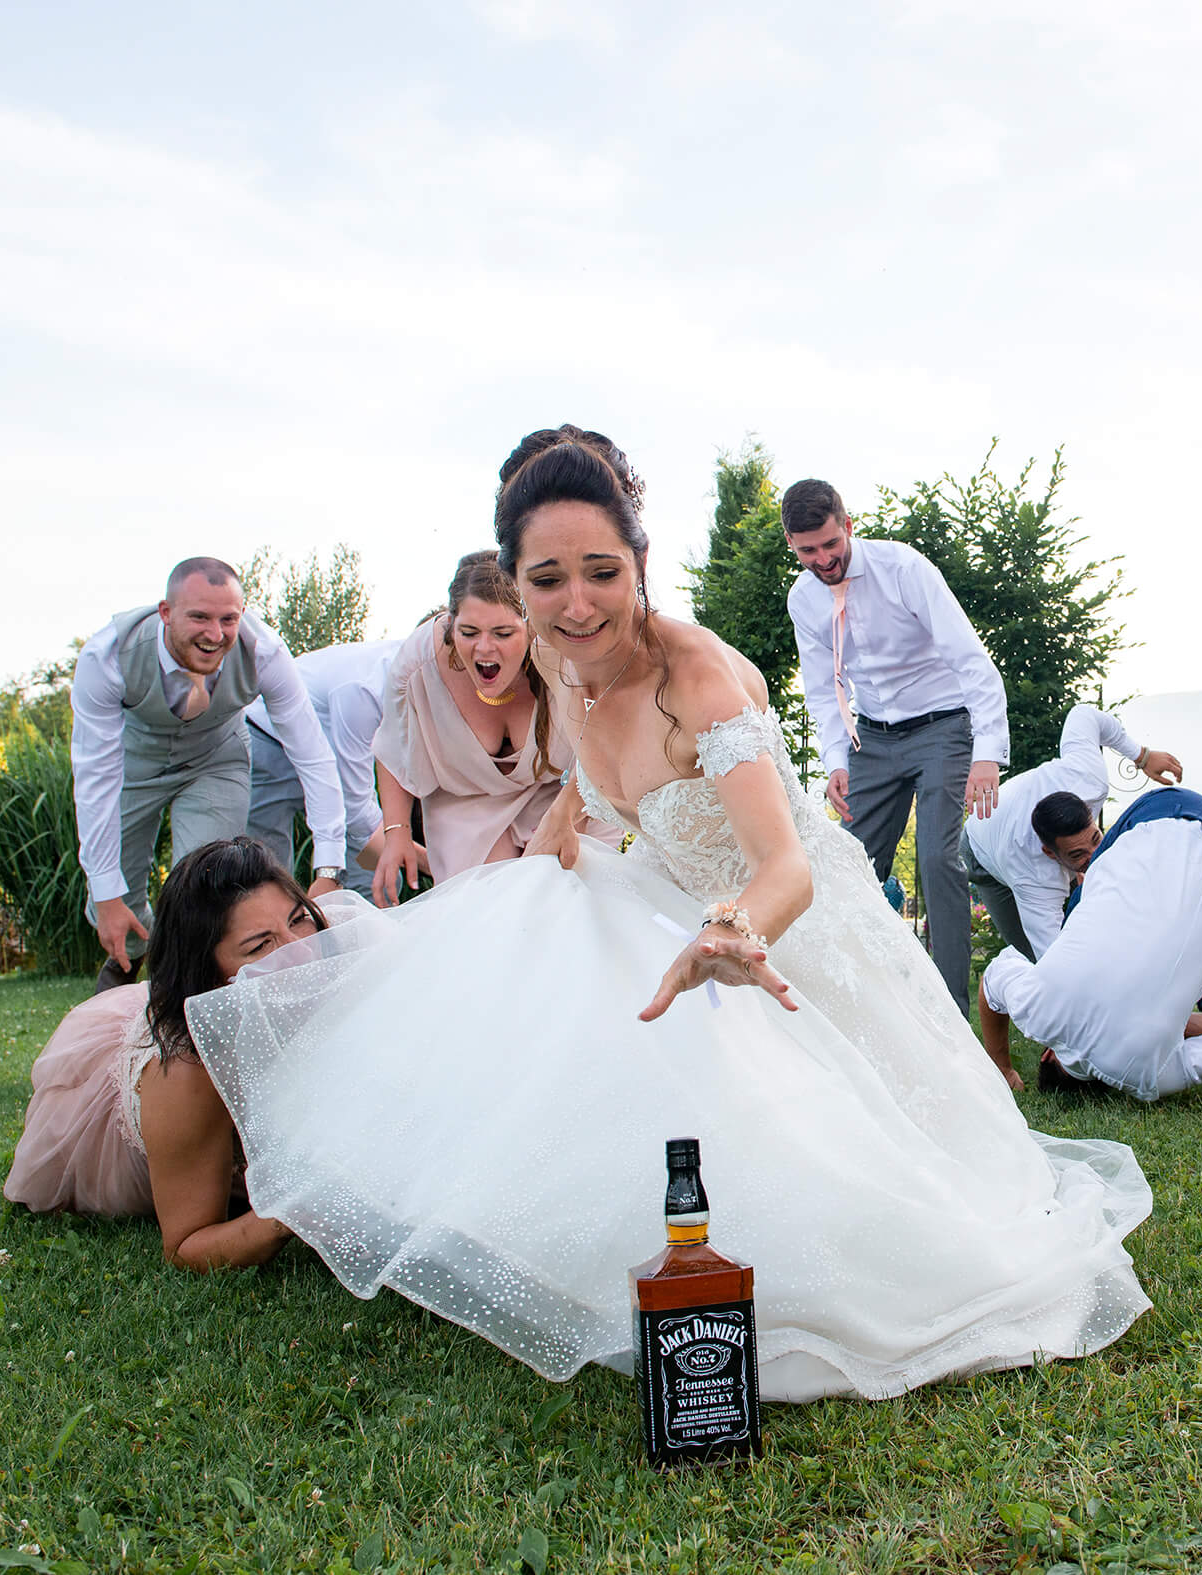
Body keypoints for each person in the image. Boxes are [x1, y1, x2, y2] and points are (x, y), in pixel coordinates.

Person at [184, 429, 1151, 1404]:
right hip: (680, 909)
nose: (577, 603)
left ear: (639, 564)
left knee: (871, 1161)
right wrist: (543, 860)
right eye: (547, 580)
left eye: (601, 572)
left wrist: (733, 928)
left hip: (786, 921)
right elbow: (589, 786)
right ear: (515, 589)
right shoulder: (563, 664)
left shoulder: (694, 678)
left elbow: (782, 866)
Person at [4, 838, 337, 1271]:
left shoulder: (333, 957)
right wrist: (287, 1208)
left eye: (298, 920)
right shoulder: (185, 1071)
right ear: (214, 978)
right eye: (259, 946)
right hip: (129, 1138)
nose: (299, 951)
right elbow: (186, 1246)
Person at [784, 479, 1009, 1014]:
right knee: (849, 867)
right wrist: (836, 761)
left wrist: (986, 754)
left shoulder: (904, 569)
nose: (822, 559)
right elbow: (822, 687)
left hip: (943, 728)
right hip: (872, 739)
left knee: (936, 859)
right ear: (793, 546)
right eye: (807, 550)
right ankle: (853, 1005)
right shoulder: (803, 598)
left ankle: (952, 1013)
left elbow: (971, 659)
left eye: (829, 545)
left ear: (848, 527)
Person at [70, 559, 348, 991]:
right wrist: (105, 894)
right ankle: (134, 954)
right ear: (165, 612)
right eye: (199, 617)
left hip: (217, 760)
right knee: (116, 895)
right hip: (133, 765)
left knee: (204, 890)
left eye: (228, 619)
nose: (215, 634)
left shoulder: (264, 652)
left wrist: (329, 866)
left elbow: (312, 755)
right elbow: (95, 778)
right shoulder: (107, 657)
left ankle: (192, 996)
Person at [978, 785, 1202, 1100]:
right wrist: (1001, 1066)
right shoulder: (1036, 1007)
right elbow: (992, 980)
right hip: (1155, 810)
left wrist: (1175, 1024)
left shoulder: (1151, 1074)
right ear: (1047, 1055)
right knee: (1084, 903)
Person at [369, 551, 609, 902]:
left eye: (502, 633)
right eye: (469, 632)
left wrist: (567, 815)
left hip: (568, 792)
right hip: (465, 807)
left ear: (530, 626)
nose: (484, 647)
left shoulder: (564, 652)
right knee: (485, 914)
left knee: (570, 906)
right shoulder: (416, 668)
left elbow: (606, 744)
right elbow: (392, 748)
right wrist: (397, 833)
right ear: (451, 624)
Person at [963, 703, 1181, 961]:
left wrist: (1142, 756)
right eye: (1078, 854)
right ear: (1050, 853)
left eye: (1096, 839)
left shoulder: (1088, 778)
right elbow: (1055, 962)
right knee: (1030, 960)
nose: (1095, 855)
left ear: (1090, 813)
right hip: (982, 848)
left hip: (1015, 817)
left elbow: (1084, 714)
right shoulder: (1034, 878)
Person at [245, 637, 394, 902]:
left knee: (381, 872)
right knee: (267, 873)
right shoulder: (365, 687)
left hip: (335, 772)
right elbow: (356, 809)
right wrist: (417, 855)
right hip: (269, 743)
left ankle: (365, 933)